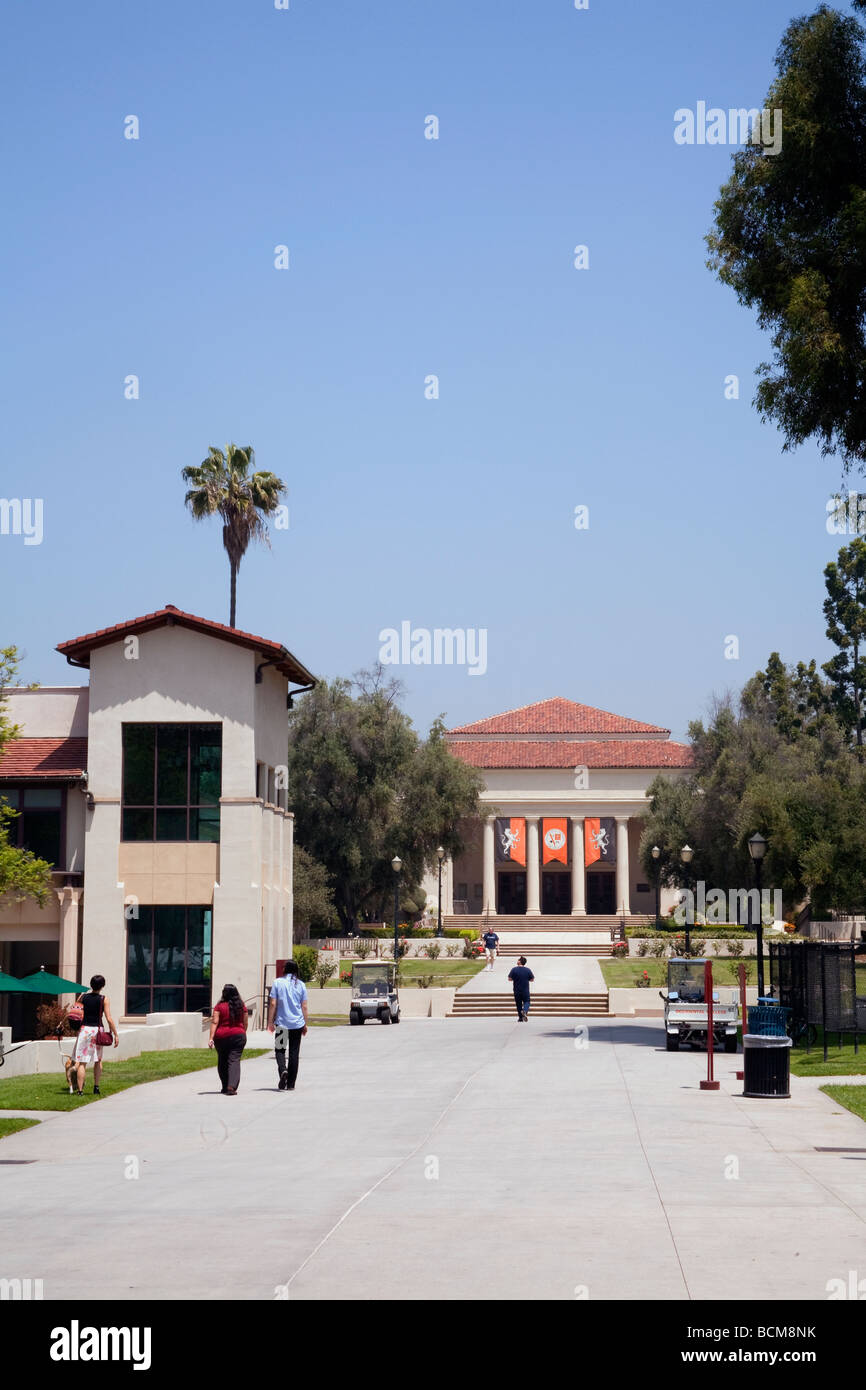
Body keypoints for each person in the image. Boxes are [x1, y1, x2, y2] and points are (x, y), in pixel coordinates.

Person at [72, 974, 118, 1096]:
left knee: (82, 1062)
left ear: (91, 984)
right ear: (102, 986)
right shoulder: (104, 999)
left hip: (84, 1030)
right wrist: (115, 1034)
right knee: (98, 1060)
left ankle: (80, 1091)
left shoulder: (82, 997)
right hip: (97, 1031)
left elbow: (76, 1013)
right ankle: (96, 1087)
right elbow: (109, 1018)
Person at [267, 960, 308, 1091]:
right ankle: (290, 1084)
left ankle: (283, 1070)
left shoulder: (277, 983)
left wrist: (270, 1022)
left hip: (282, 1024)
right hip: (297, 1024)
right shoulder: (301, 985)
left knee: (280, 1050)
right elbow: (304, 1006)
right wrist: (305, 1024)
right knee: (294, 1053)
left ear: (285, 969)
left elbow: (273, 1003)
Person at [208, 984, 248, 1095]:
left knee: (222, 1060)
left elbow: (215, 1022)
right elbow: (245, 1022)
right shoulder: (241, 1006)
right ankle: (231, 1086)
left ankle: (225, 1086)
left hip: (221, 1037)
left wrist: (211, 1038)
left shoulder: (219, 1006)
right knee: (234, 1060)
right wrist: (242, 1032)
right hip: (238, 1036)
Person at [507, 955, 534, 1022]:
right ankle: (525, 1011)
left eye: (518, 960)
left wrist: (515, 979)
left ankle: (520, 1018)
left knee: (518, 1004)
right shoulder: (528, 970)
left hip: (517, 990)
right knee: (527, 1002)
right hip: (525, 990)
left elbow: (509, 979)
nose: (517, 961)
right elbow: (532, 979)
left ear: (520, 962)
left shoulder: (514, 969)